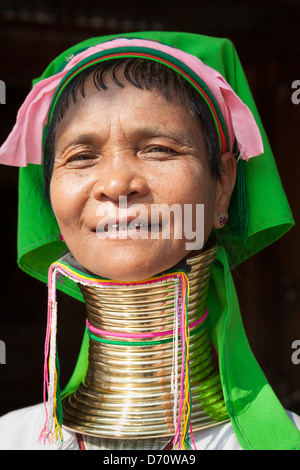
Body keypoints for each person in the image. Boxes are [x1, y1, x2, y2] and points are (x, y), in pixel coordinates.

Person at [0, 32, 299, 451]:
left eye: (159, 149)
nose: (118, 184)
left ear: (223, 185)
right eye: (82, 156)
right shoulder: (11, 439)